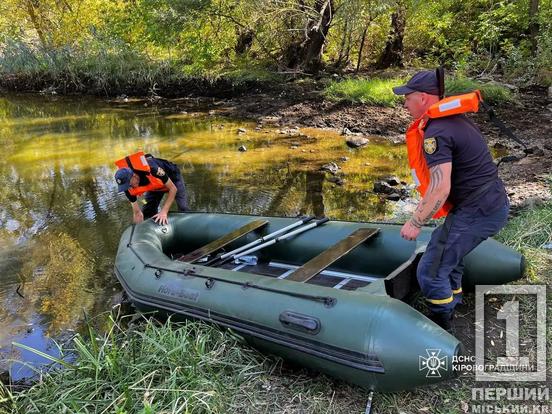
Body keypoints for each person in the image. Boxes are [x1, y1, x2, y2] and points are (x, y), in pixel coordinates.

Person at [392, 70, 509, 331]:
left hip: (479, 210)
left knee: (430, 273)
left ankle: (441, 329)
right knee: (447, 255)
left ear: (422, 98)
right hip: (487, 204)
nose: (405, 104)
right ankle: (452, 300)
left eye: (408, 98)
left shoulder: (437, 132)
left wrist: (415, 221)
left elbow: (440, 187)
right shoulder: (455, 120)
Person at [114, 152, 189, 225]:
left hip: (173, 179)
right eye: (126, 186)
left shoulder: (153, 169)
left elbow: (173, 189)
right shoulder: (127, 187)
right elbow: (137, 213)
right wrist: (137, 228)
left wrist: (164, 212)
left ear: (134, 176)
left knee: (183, 207)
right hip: (156, 186)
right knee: (147, 211)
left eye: (129, 184)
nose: (130, 187)